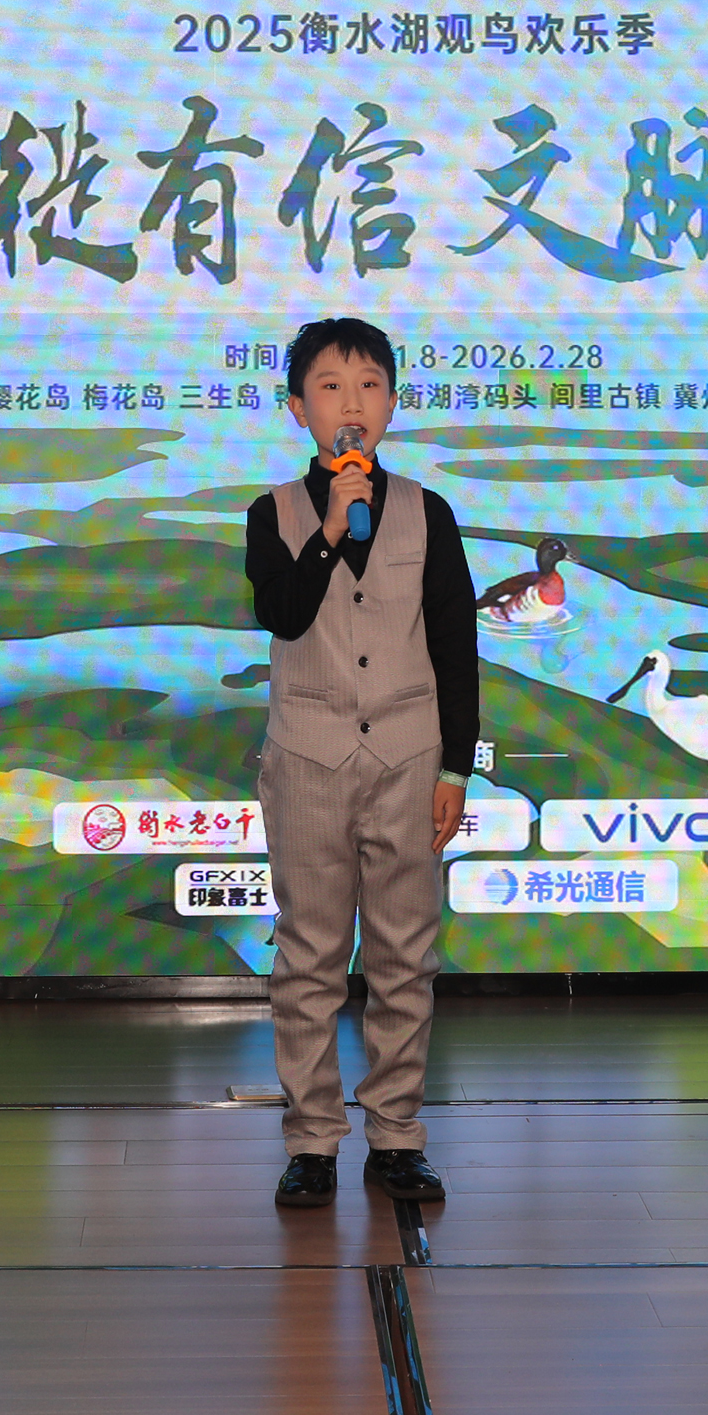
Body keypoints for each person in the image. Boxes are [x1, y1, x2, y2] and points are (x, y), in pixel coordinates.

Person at [243, 317, 478, 1209]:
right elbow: (284, 612)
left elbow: (456, 645)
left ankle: (398, 1133)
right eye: (332, 386)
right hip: (307, 758)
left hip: (409, 758)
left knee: (404, 955)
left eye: (371, 384)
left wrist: (455, 767)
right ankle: (311, 1138)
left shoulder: (427, 509)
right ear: (298, 407)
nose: (353, 402)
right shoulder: (272, 511)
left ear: (392, 402)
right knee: (308, 956)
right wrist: (333, 527)